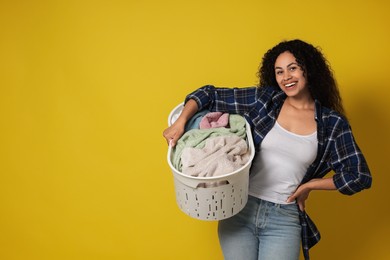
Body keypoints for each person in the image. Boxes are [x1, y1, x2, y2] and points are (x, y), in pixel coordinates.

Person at [163, 39, 372, 260]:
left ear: (308, 69)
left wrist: (311, 185)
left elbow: (358, 176)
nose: (286, 77)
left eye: (293, 68)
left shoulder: (332, 123)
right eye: (279, 71)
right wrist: (181, 121)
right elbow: (209, 94)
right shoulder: (265, 101)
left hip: (283, 218)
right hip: (239, 208)